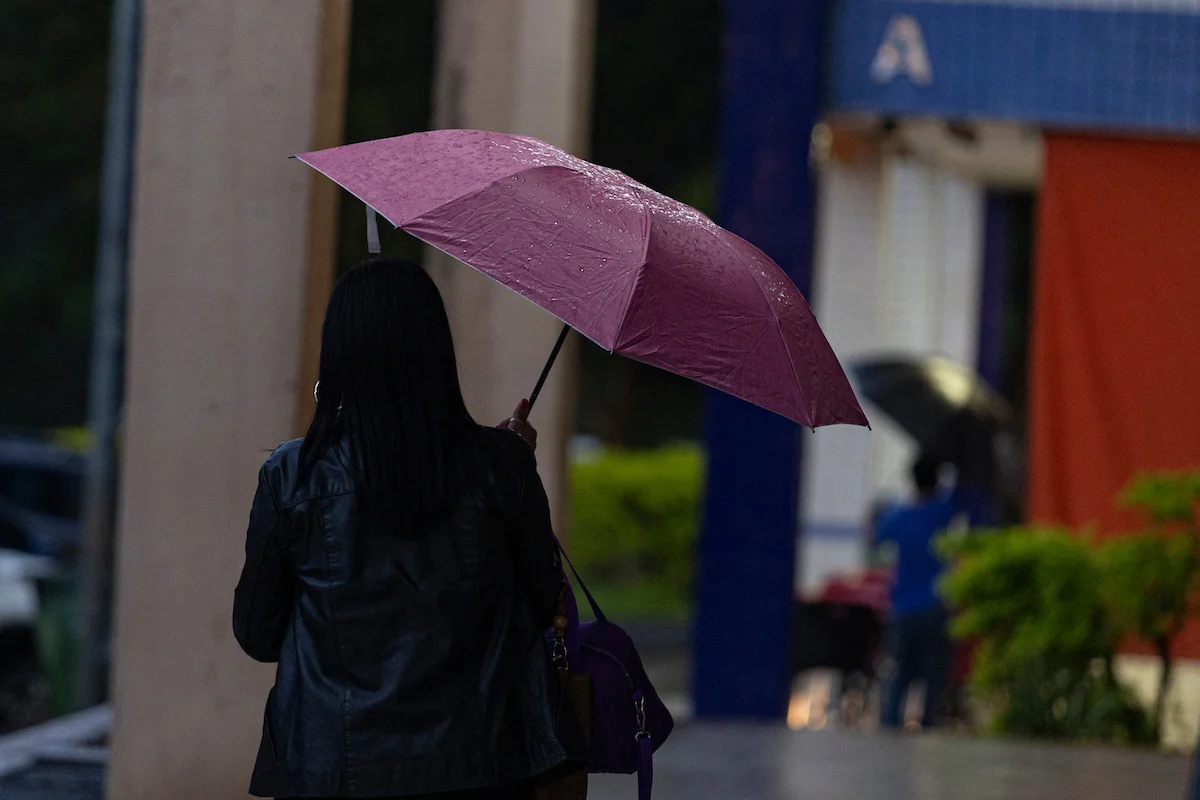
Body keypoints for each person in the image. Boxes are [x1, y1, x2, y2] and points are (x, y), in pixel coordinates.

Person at [233, 258, 580, 799]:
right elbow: (542, 605)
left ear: (340, 353)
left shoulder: (293, 476)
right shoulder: (499, 468)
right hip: (480, 765)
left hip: (331, 768)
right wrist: (512, 463)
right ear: (437, 353)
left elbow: (256, 634)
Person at [874, 454, 960, 730]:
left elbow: (876, 536)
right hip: (935, 604)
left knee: (898, 671)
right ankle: (927, 724)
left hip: (902, 606)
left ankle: (889, 726)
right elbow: (963, 498)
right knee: (933, 673)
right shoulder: (942, 511)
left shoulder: (899, 515)